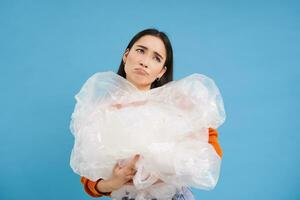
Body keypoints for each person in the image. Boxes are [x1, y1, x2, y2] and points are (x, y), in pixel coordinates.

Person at [78, 28, 223, 199]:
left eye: (156, 58)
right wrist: (114, 182)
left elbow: (210, 151)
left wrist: (167, 171)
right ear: (126, 55)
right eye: (140, 51)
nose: (145, 62)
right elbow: (89, 177)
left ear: (161, 71)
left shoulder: (176, 103)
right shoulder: (104, 111)